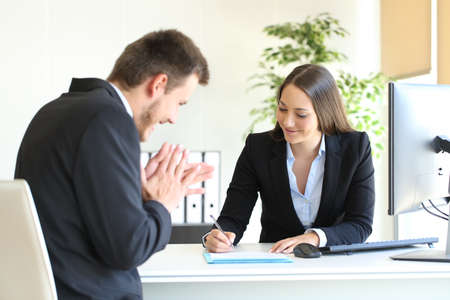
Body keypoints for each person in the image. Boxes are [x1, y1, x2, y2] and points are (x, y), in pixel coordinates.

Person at [15, 29, 213, 299]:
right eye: (179, 102)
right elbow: (129, 249)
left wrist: (138, 197)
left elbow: (79, 219)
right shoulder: (109, 119)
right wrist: (164, 203)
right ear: (158, 84)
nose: (173, 117)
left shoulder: (54, 111)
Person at [204, 64, 375, 253]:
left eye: (301, 114)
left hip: (334, 263)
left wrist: (314, 238)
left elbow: (360, 225)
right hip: (278, 263)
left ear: (324, 113)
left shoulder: (356, 147)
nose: (287, 122)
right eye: (283, 109)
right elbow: (232, 218)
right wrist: (219, 237)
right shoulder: (258, 148)